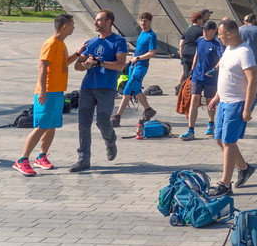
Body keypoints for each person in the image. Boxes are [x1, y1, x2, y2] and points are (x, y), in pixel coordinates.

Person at [14, 13, 80, 176]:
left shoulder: (61, 44)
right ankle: (22, 160)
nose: (73, 27)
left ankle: (41, 157)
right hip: (47, 92)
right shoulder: (51, 44)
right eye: (72, 25)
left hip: (58, 92)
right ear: (65, 27)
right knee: (41, 126)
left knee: (51, 126)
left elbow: (64, 64)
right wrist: (42, 90)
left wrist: (79, 54)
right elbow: (42, 67)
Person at [70, 10, 127, 172]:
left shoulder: (118, 41)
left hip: (106, 87)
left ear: (109, 22)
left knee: (102, 121)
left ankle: (110, 139)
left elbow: (120, 65)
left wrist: (100, 63)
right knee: (83, 125)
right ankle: (83, 159)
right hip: (87, 87)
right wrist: (86, 65)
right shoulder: (91, 43)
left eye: (99, 20)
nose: (95, 23)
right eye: (95, 20)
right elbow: (77, 66)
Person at [207, 19, 257, 196]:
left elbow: (254, 80)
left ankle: (225, 185)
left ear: (229, 34)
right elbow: (227, 75)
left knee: (229, 142)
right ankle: (244, 168)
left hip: (237, 103)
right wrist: (216, 97)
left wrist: (247, 108)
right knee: (220, 140)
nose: (219, 39)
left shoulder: (244, 52)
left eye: (220, 36)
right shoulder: (229, 49)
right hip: (224, 102)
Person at [112, 12, 158, 127]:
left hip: (141, 67)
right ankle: (149, 110)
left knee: (127, 91)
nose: (143, 23)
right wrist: (134, 57)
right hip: (134, 65)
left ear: (150, 22)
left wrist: (138, 58)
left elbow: (152, 53)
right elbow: (140, 49)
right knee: (136, 91)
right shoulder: (142, 33)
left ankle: (117, 117)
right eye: (141, 20)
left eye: (146, 21)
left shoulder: (151, 36)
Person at [180, 21, 223, 140]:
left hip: (210, 78)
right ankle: (191, 130)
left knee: (210, 102)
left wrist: (215, 69)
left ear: (213, 30)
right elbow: (197, 54)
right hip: (197, 76)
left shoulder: (217, 44)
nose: (204, 31)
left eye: (207, 29)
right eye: (203, 29)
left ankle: (211, 123)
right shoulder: (199, 40)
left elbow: (222, 59)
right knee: (194, 100)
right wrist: (193, 68)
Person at [178, 11, 206, 91]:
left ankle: (186, 91)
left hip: (185, 53)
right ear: (198, 20)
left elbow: (181, 44)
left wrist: (181, 55)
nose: (202, 21)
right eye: (201, 19)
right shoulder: (202, 30)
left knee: (187, 74)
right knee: (196, 73)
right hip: (195, 54)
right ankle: (195, 91)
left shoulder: (187, 30)